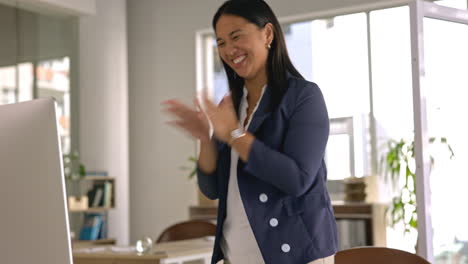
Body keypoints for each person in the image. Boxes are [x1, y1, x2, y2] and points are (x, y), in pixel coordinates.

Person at [162, 0, 338, 263]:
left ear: (268, 34)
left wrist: (234, 134)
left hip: (296, 255)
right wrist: (205, 138)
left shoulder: (304, 96)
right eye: (221, 42)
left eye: (236, 37)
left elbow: (297, 180)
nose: (229, 50)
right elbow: (212, 188)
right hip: (237, 255)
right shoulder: (231, 105)